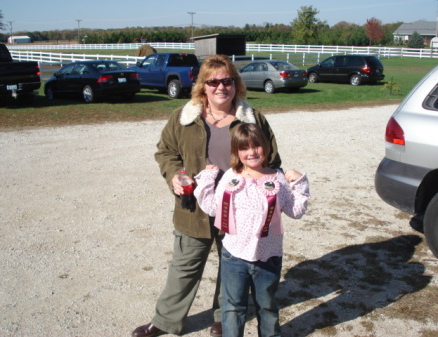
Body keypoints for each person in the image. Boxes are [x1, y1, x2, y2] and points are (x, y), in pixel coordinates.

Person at [131, 54, 282, 337]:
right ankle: (165, 321)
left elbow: (271, 159)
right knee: (184, 267)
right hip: (194, 207)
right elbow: (165, 152)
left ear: (236, 84)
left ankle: (223, 318)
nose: (220, 87)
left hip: (240, 209)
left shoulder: (252, 118)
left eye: (227, 80)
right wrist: (175, 174)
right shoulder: (184, 117)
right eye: (213, 81)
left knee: (232, 269)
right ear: (203, 86)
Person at [193, 123, 310, 337]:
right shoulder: (231, 177)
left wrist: (300, 183)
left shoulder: (278, 178)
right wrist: (208, 179)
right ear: (237, 152)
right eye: (244, 148)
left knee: (266, 307)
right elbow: (212, 208)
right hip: (234, 256)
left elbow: (296, 211)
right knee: (233, 307)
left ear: (265, 147)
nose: (251, 152)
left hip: (268, 257)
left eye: (256, 146)